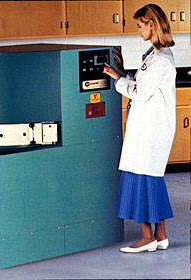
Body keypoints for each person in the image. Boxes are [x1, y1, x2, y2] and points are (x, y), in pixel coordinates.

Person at [103, 4, 176, 253]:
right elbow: (145, 84)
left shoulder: (159, 60)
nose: (138, 30)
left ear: (151, 24)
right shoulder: (157, 56)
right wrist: (123, 72)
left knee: (139, 178)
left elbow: (140, 93)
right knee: (151, 178)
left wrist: (118, 81)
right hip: (152, 129)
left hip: (149, 131)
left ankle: (147, 238)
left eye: (140, 25)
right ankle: (161, 235)